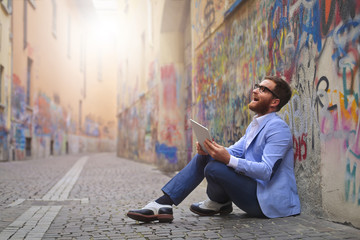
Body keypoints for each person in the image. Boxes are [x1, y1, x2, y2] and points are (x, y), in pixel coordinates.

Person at [127, 76, 301, 223]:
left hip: (266, 202)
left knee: (214, 167)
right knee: (207, 158)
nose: (255, 91)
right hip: (252, 192)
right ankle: (164, 203)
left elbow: (267, 171)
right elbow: (233, 151)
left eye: (263, 89)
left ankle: (218, 202)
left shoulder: (278, 129)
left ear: (275, 102)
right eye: (258, 86)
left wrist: (227, 159)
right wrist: (210, 149)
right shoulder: (256, 124)